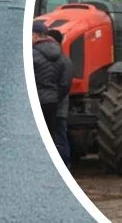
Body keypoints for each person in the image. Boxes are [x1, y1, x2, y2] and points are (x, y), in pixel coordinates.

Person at [32, 21, 68, 128]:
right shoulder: (61, 55)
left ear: (35, 35)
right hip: (52, 101)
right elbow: (65, 82)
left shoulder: (32, 53)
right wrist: (56, 96)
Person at [47, 29, 73, 169]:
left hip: (57, 107)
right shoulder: (60, 59)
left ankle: (64, 167)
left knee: (59, 137)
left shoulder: (63, 61)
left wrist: (52, 100)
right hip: (52, 105)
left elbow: (65, 85)